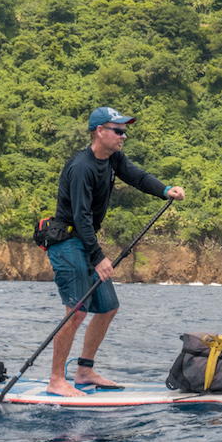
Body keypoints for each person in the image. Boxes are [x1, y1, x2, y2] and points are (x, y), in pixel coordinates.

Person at [45, 106, 185, 397]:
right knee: (75, 313)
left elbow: (136, 176)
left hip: (85, 242)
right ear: (100, 132)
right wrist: (98, 258)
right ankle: (56, 379)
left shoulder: (112, 159)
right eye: (118, 130)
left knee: (108, 307)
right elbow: (82, 217)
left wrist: (165, 189)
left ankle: (83, 371)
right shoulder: (82, 167)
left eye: (124, 130)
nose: (124, 135)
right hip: (68, 243)